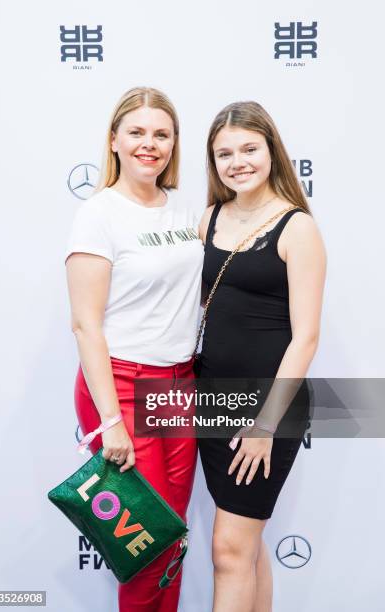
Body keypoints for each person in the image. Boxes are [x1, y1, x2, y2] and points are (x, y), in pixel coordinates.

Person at [64, 86, 204, 611]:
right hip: (121, 386)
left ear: (174, 145)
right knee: (142, 544)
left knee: (171, 535)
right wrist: (110, 420)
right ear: (115, 140)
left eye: (162, 134)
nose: (151, 144)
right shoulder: (99, 214)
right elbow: (84, 325)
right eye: (138, 132)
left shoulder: (183, 210)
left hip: (178, 385)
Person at [197, 101, 326, 611]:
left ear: (272, 149)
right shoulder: (208, 218)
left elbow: (307, 337)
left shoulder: (297, 228)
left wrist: (265, 425)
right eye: (224, 153)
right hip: (211, 401)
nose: (238, 162)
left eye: (249, 148)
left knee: (229, 550)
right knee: (245, 549)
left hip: (267, 408)